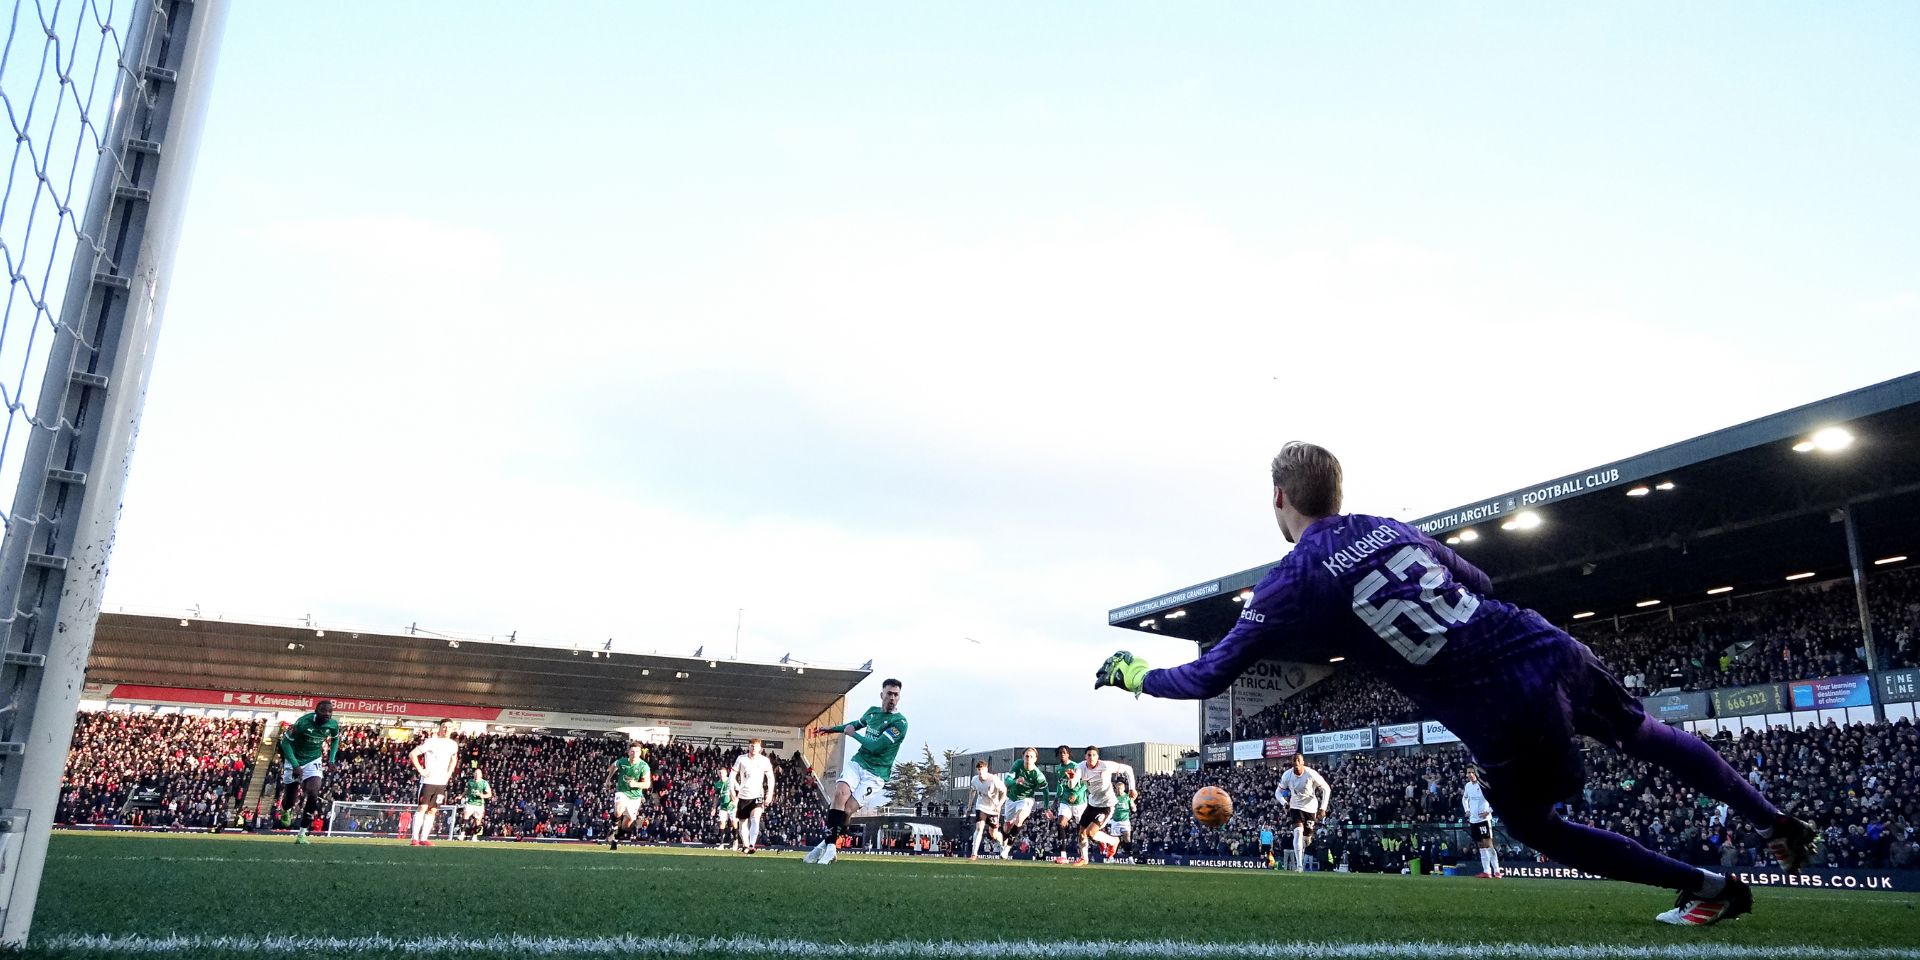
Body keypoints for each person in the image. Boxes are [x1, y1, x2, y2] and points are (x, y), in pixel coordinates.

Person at [1095, 441, 1817, 927]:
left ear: (1279, 497)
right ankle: (1772, 817)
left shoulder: (1289, 581)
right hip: (1541, 641)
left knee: (1536, 826)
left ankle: (1711, 889)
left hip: (1502, 706)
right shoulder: (1390, 528)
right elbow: (1477, 580)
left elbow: (1207, 675)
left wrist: (1134, 673)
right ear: (1338, 492)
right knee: (1644, 733)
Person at [806, 679, 907, 865]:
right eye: (889, 693)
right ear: (882, 694)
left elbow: (875, 747)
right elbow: (856, 723)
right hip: (858, 763)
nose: (892, 698)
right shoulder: (872, 712)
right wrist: (833, 729)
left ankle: (824, 846)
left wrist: (854, 735)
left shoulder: (899, 723)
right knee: (839, 794)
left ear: (899, 697)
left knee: (848, 809)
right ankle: (830, 849)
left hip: (876, 774)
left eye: (896, 694)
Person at [275, 700, 340, 844]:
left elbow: (335, 739)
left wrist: (331, 759)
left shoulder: (333, 725)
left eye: (330, 712)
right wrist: (295, 764)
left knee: (313, 793)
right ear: (316, 711)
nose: (328, 715)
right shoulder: (302, 723)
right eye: (325, 711)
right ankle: (286, 810)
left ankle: (302, 834)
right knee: (290, 799)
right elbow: (285, 743)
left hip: (313, 760)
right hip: (294, 759)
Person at [1073, 746, 1134, 865]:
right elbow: (1072, 784)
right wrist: (1071, 779)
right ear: (1085, 757)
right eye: (1089, 755)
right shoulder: (1080, 767)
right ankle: (1084, 859)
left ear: (1098, 757)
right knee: (1081, 832)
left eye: (1094, 755)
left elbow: (1128, 769)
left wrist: (1132, 788)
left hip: (1107, 805)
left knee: (1091, 833)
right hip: (1092, 804)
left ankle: (1113, 841)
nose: (1091, 757)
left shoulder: (1105, 766)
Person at [407, 719, 460, 847]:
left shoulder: (453, 744)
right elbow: (413, 754)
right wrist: (421, 770)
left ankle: (424, 838)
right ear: (440, 728)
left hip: (441, 783)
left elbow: (454, 758)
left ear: (452, 729)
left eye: (449, 727)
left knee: (432, 810)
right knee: (423, 808)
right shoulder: (431, 742)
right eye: (444, 727)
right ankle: (415, 838)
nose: (446, 729)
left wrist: (449, 774)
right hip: (428, 781)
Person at [1275, 752, 1330, 872]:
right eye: (1294, 761)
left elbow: (1326, 788)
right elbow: (1277, 793)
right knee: (1298, 833)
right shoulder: (1287, 775)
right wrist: (1284, 803)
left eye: (1298, 760)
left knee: (1306, 839)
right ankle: (1299, 865)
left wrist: (1323, 808)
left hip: (1310, 808)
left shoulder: (1310, 774)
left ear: (1303, 762)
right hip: (1295, 807)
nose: (1296, 763)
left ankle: (1306, 842)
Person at [999, 747, 1048, 860]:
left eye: (1031, 757)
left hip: (1026, 799)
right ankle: (1004, 842)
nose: (1028, 759)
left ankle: (1007, 849)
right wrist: (1016, 781)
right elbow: (1006, 782)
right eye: (1026, 756)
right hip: (1011, 798)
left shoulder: (1038, 775)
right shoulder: (1017, 764)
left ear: (1035, 759)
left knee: (1019, 818)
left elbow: (1045, 790)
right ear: (1023, 757)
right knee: (1006, 828)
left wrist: (1046, 808)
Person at [602, 742, 652, 852]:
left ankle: (615, 840)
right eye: (632, 751)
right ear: (629, 752)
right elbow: (614, 766)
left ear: (640, 753)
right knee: (618, 811)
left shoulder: (644, 766)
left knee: (627, 825)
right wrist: (608, 779)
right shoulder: (622, 761)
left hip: (635, 797)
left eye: (637, 752)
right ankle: (614, 827)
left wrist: (635, 784)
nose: (634, 754)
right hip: (622, 792)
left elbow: (647, 784)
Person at [731, 739, 776, 855]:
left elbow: (770, 777)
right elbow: (732, 774)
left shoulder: (764, 761)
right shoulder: (741, 759)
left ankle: (752, 844)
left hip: (758, 795)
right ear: (748, 747)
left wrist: (770, 793)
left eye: (756, 746)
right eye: (752, 746)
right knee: (742, 823)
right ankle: (746, 845)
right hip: (743, 795)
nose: (754, 748)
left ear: (760, 748)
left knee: (755, 818)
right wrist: (733, 789)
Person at [966, 759, 1008, 860]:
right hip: (981, 806)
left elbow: (1004, 792)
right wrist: (969, 806)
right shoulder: (974, 780)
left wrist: (999, 805)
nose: (981, 772)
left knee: (992, 833)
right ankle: (974, 854)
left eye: (982, 769)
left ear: (986, 769)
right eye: (979, 770)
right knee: (979, 827)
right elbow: (972, 791)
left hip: (993, 808)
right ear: (977, 770)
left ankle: (1002, 840)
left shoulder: (994, 779)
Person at [1464, 767, 1501, 878]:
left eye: (1472, 772)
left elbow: (1496, 799)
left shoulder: (1484, 785)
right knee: (1480, 845)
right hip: (1473, 820)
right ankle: (1487, 871)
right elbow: (1464, 798)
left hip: (1484, 820)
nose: (1470, 774)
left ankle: (1497, 871)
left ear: (1476, 773)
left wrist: (1488, 811)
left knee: (1488, 844)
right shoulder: (1468, 786)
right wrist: (1467, 810)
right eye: (1468, 772)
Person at [458, 764, 493, 841]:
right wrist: (461, 796)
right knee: (465, 817)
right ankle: (462, 833)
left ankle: (474, 835)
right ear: (474, 774)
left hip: (479, 804)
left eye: (478, 774)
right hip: (470, 802)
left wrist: (481, 795)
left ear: (481, 775)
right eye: (475, 773)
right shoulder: (470, 781)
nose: (477, 775)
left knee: (477, 821)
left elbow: (489, 794)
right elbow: (467, 790)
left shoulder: (484, 783)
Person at [712, 764, 738, 850]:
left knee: (734, 823)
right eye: (720, 773)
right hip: (723, 806)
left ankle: (735, 841)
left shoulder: (731, 781)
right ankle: (721, 844)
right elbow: (716, 797)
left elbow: (739, 791)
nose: (721, 774)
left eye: (723, 773)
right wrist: (714, 807)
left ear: (726, 773)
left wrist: (736, 801)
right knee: (722, 824)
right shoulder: (717, 784)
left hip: (731, 806)